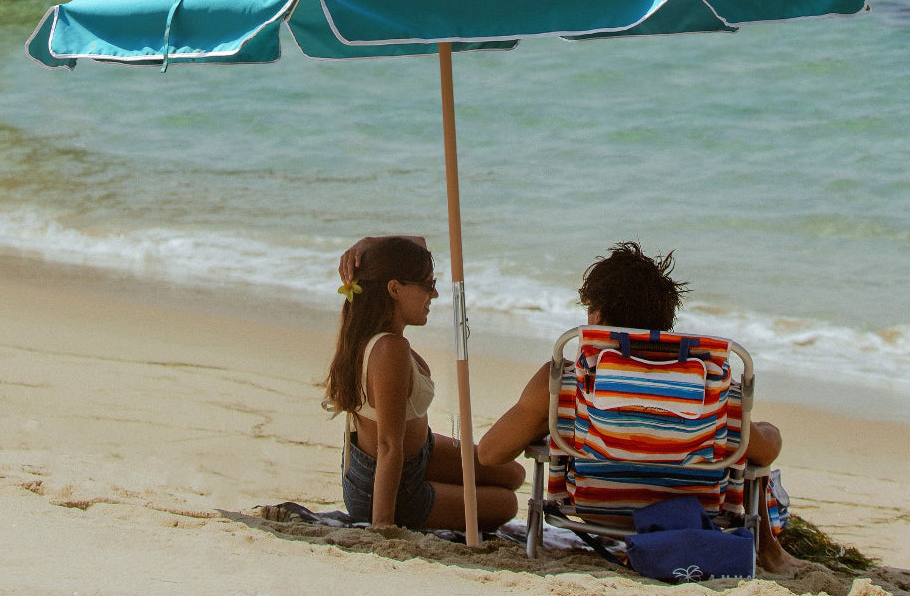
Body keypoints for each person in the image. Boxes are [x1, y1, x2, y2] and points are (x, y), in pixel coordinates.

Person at [476, 241, 802, 573]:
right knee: (751, 445)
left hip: (595, 509)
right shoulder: (710, 387)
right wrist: (770, 432)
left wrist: (551, 431)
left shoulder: (563, 382)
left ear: (598, 316)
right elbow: (764, 451)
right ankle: (767, 547)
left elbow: (489, 453)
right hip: (694, 511)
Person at [325, 235, 524, 531]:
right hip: (394, 487)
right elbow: (389, 445)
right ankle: (426, 499)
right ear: (394, 288)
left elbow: (417, 244)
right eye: (428, 285)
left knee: (512, 474)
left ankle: (443, 489)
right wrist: (382, 526)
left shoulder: (373, 332)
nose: (435, 295)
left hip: (420, 455)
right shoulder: (389, 350)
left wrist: (368, 243)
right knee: (507, 503)